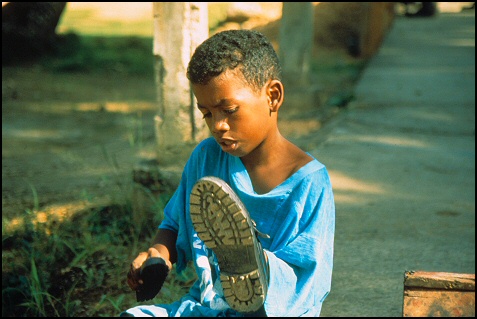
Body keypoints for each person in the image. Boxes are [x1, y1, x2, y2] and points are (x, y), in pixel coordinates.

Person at [121, 29, 335, 317]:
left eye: (229, 110)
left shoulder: (309, 183)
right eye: (207, 113)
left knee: (274, 284)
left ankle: (257, 267)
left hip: (279, 312)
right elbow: (174, 225)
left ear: (272, 96)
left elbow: (306, 283)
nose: (217, 125)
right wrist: (157, 255)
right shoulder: (207, 157)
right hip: (207, 308)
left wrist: (259, 277)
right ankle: (245, 264)